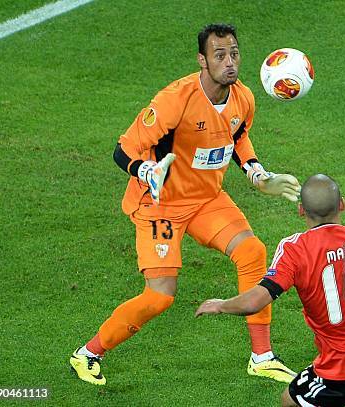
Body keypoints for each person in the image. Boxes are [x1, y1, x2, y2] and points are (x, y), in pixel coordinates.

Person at [69, 23, 301, 386]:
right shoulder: (174, 99)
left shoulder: (243, 98)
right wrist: (146, 170)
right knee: (160, 297)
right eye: (220, 55)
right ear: (203, 60)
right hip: (159, 206)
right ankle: (88, 354)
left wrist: (258, 174)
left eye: (234, 53)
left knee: (252, 251)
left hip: (207, 199)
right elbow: (123, 148)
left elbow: (237, 138)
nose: (230, 62)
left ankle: (262, 356)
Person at [195, 174, 345, 407]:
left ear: (302, 210)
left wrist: (220, 304)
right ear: (341, 205)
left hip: (339, 369)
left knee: (289, 401)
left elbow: (255, 301)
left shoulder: (295, 250)